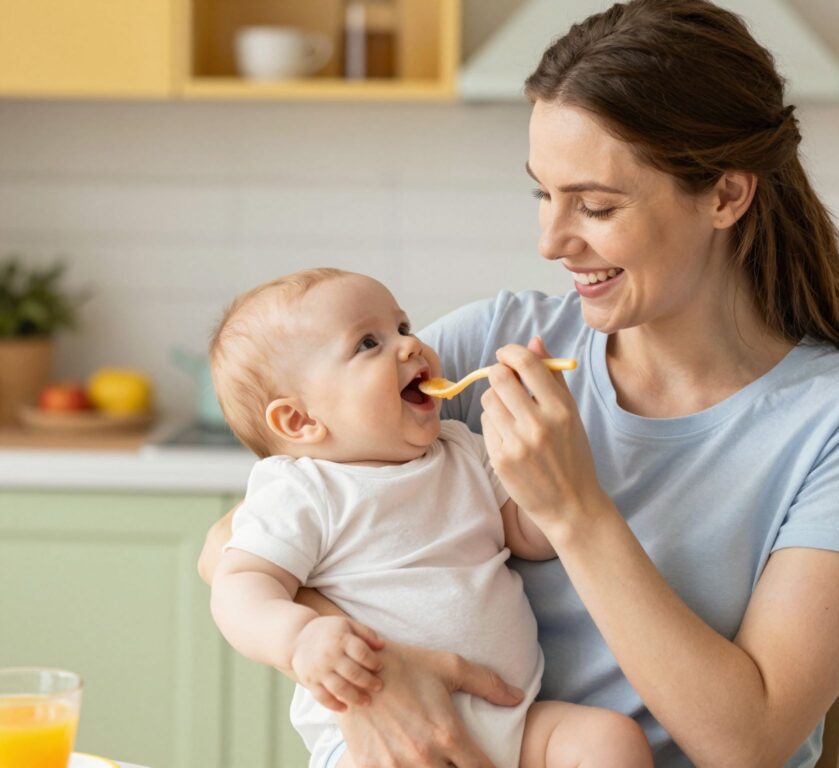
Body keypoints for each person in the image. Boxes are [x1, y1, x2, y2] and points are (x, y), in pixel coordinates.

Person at [199, 1, 839, 765]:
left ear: (724, 195)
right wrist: (380, 676)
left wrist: (575, 511)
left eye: (596, 205)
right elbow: (235, 545)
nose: (551, 240)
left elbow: (745, 743)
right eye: (543, 194)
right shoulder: (498, 344)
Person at [205, 268, 653, 768]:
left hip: (513, 719)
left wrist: (543, 457)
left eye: (403, 326)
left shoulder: (463, 447)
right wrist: (298, 639)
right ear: (300, 421)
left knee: (609, 741)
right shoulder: (303, 489)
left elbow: (532, 537)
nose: (410, 345)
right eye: (368, 343)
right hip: (376, 745)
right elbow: (238, 585)